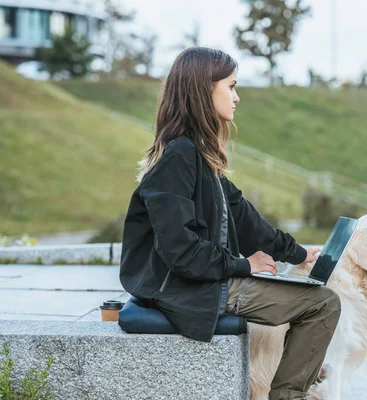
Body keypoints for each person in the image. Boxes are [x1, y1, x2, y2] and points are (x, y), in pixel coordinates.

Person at [119, 47, 342, 400]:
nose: (237, 97)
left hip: (201, 279)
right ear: (203, 90)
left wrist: (298, 254)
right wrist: (243, 265)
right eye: (231, 87)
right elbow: (179, 250)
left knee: (320, 299)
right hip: (187, 287)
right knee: (322, 304)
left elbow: (245, 217)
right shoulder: (179, 158)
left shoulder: (198, 155)